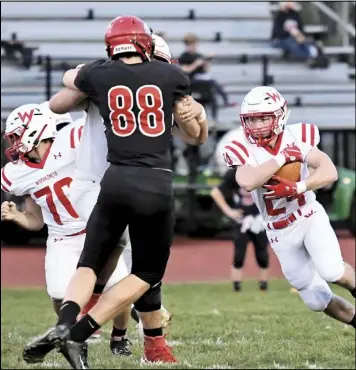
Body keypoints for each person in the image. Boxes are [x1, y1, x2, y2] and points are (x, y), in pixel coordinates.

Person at [23, 16, 208, 369]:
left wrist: (88, 73)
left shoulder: (102, 74)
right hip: (147, 181)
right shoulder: (171, 78)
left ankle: (69, 325)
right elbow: (196, 134)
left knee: (91, 263)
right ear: (148, 49)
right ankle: (81, 333)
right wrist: (193, 109)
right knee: (145, 273)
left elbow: (197, 132)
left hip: (113, 179)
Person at [0, 103, 134, 357]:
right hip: (61, 237)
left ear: (36, 129)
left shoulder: (72, 139)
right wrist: (18, 217)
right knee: (59, 294)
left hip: (94, 228)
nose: (14, 143)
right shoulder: (17, 174)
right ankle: (72, 334)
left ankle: (119, 338)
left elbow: (99, 131)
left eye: (17, 135)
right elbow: (36, 221)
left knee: (118, 290)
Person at [222, 86, 356, 331]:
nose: (257, 125)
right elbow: (248, 180)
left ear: (280, 115)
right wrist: (283, 158)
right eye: (251, 119)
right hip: (277, 230)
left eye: (263, 117)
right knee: (315, 299)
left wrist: (298, 187)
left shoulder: (299, 135)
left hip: (307, 215)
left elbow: (329, 171)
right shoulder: (240, 146)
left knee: (332, 270)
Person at [211, 168, 269, 292]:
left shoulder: (262, 169)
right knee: (239, 253)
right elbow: (215, 192)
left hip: (259, 219)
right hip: (242, 220)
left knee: (262, 253)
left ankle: (263, 285)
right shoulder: (234, 174)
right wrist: (229, 211)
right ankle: (236, 286)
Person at [271, 2, 329, 69]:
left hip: (295, 38)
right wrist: (290, 32)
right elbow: (277, 33)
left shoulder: (296, 15)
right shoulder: (279, 16)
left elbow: (301, 29)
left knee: (307, 42)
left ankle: (315, 57)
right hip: (281, 39)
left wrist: (298, 34)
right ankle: (311, 57)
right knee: (292, 44)